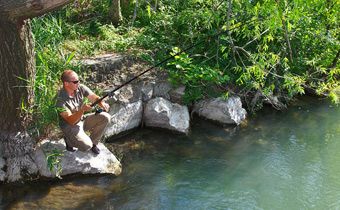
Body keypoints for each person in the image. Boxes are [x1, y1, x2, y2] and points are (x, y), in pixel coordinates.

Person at [56, 69, 111, 154]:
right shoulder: (59, 100)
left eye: (79, 80)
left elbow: (93, 97)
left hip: (82, 120)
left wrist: (102, 103)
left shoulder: (80, 88)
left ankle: (93, 143)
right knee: (86, 146)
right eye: (75, 82)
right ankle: (69, 140)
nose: (78, 83)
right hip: (70, 126)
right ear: (66, 83)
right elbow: (71, 120)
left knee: (106, 117)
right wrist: (82, 110)